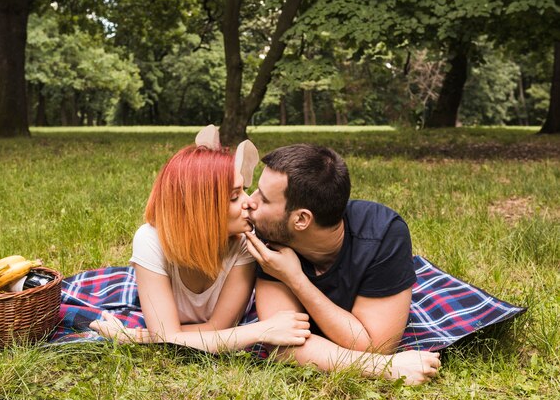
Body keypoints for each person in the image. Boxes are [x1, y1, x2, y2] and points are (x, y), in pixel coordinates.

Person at [244, 143, 441, 384]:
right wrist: (383, 368)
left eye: (263, 199)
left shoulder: (382, 234)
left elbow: (376, 345)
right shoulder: (269, 234)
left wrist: (295, 279)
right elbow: (282, 344)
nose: (249, 202)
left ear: (302, 219)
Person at [89, 142, 311, 353]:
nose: (249, 202)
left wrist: (137, 336)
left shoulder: (245, 241)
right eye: (235, 196)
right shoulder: (150, 240)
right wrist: (262, 330)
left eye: (244, 190)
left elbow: (218, 328)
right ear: (200, 208)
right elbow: (167, 336)